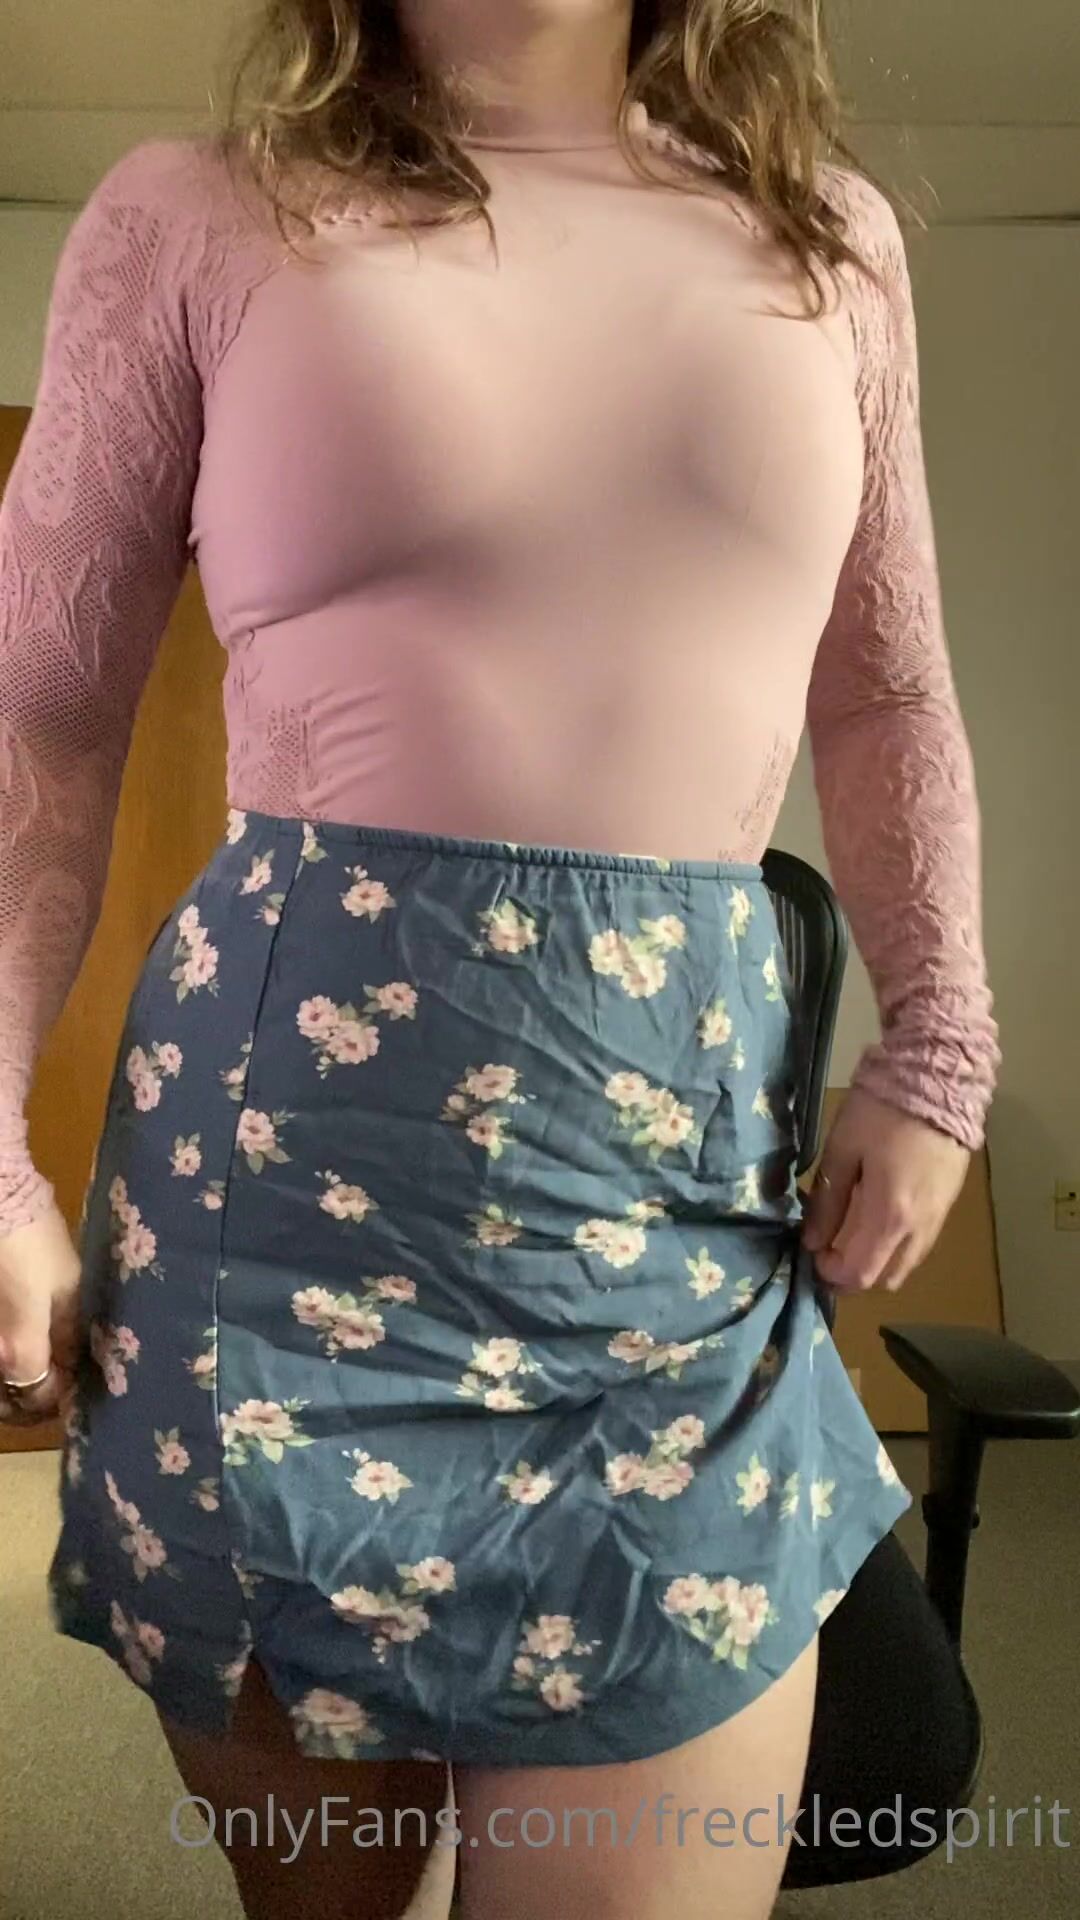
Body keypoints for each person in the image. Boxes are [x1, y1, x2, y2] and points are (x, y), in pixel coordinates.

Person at [0, 3, 999, 1917]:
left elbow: (886, 694)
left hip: (674, 1243)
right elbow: (38, 716)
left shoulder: (830, 243)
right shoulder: (197, 215)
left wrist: (940, 1042)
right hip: (275, 1240)